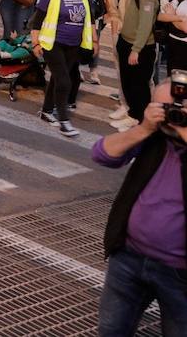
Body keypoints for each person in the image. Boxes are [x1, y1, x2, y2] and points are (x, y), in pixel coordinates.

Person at [92, 81, 187, 335]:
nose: (171, 114)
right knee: (111, 331)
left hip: (180, 273)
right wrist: (145, 128)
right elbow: (102, 153)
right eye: (163, 107)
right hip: (129, 258)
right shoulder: (154, 136)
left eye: (177, 108)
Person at [32, 0, 95, 137]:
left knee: (57, 79)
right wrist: (36, 43)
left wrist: (94, 42)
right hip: (53, 43)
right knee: (65, 81)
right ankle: (64, 121)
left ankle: (46, 110)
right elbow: (36, 22)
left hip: (74, 44)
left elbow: (89, 19)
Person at [105, 0, 160, 126]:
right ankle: (132, 114)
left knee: (139, 86)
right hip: (125, 41)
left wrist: (136, 50)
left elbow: (145, 25)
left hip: (141, 47)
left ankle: (140, 120)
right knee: (127, 83)